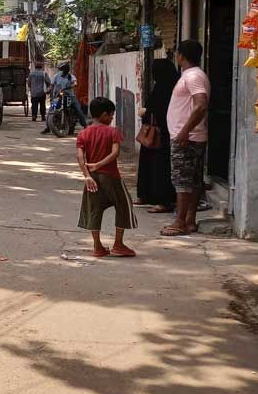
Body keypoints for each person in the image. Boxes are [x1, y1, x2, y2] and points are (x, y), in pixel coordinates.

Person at [75, 96, 138, 257]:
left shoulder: (84, 133)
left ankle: (97, 247)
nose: (111, 118)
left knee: (94, 209)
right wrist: (100, 164)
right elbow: (115, 153)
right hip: (111, 176)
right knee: (124, 205)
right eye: (110, 115)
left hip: (92, 178)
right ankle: (118, 244)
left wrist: (87, 175)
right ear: (104, 115)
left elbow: (80, 157)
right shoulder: (112, 132)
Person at [163, 40, 210, 236]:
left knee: (182, 181)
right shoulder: (194, 75)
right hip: (190, 136)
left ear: (181, 55)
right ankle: (189, 220)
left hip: (186, 138)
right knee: (192, 180)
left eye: (177, 53)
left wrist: (184, 131)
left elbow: (200, 105)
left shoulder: (193, 77)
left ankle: (180, 222)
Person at [136, 59, 179, 213]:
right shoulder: (160, 87)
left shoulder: (171, 89)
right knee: (149, 164)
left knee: (161, 167)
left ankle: (164, 200)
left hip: (164, 134)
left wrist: (147, 112)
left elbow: (164, 111)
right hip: (153, 133)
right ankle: (146, 195)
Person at [47, 62, 88, 134]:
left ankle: (85, 125)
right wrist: (48, 90)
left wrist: (72, 85)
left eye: (62, 69)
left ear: (66, 70)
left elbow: (75, 83)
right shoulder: (56, 76)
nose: (61, 71)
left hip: (70, 96)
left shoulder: (71, 76)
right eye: (60, 70)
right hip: (58, 96)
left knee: (78, 109)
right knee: (51, 109)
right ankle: (47, 127)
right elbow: (52, 85)